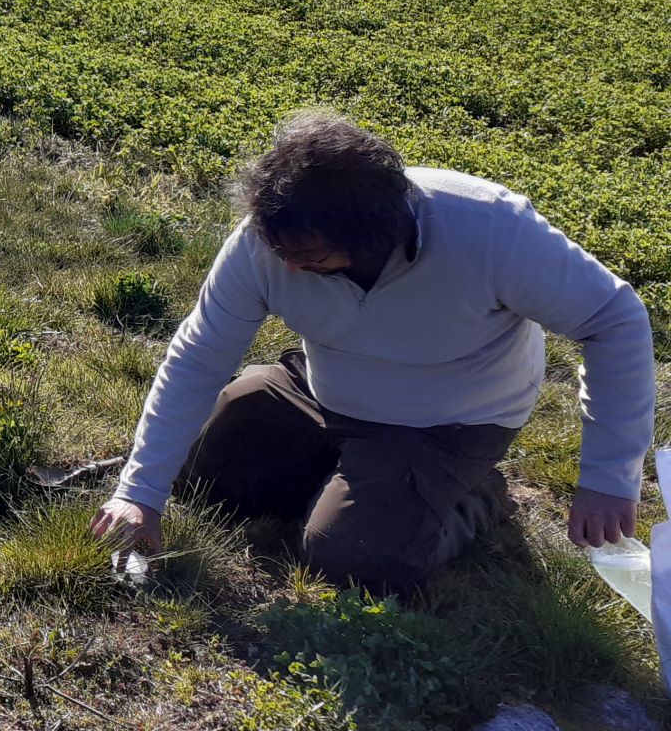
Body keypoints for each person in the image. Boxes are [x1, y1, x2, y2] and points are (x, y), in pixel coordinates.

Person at [90, 110, 655, 594]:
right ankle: (364, 480)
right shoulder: (271, 240)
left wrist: (608, 477)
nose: (289, 268)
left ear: (371, 235)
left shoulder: (489, 229)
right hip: (322, 385)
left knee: (354, 559)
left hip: (445, 423)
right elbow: (198, 356)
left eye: (309, 257)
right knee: (201, 479)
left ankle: (472, 496)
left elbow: (614, 320)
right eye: (280, 250)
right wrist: (139, 493)